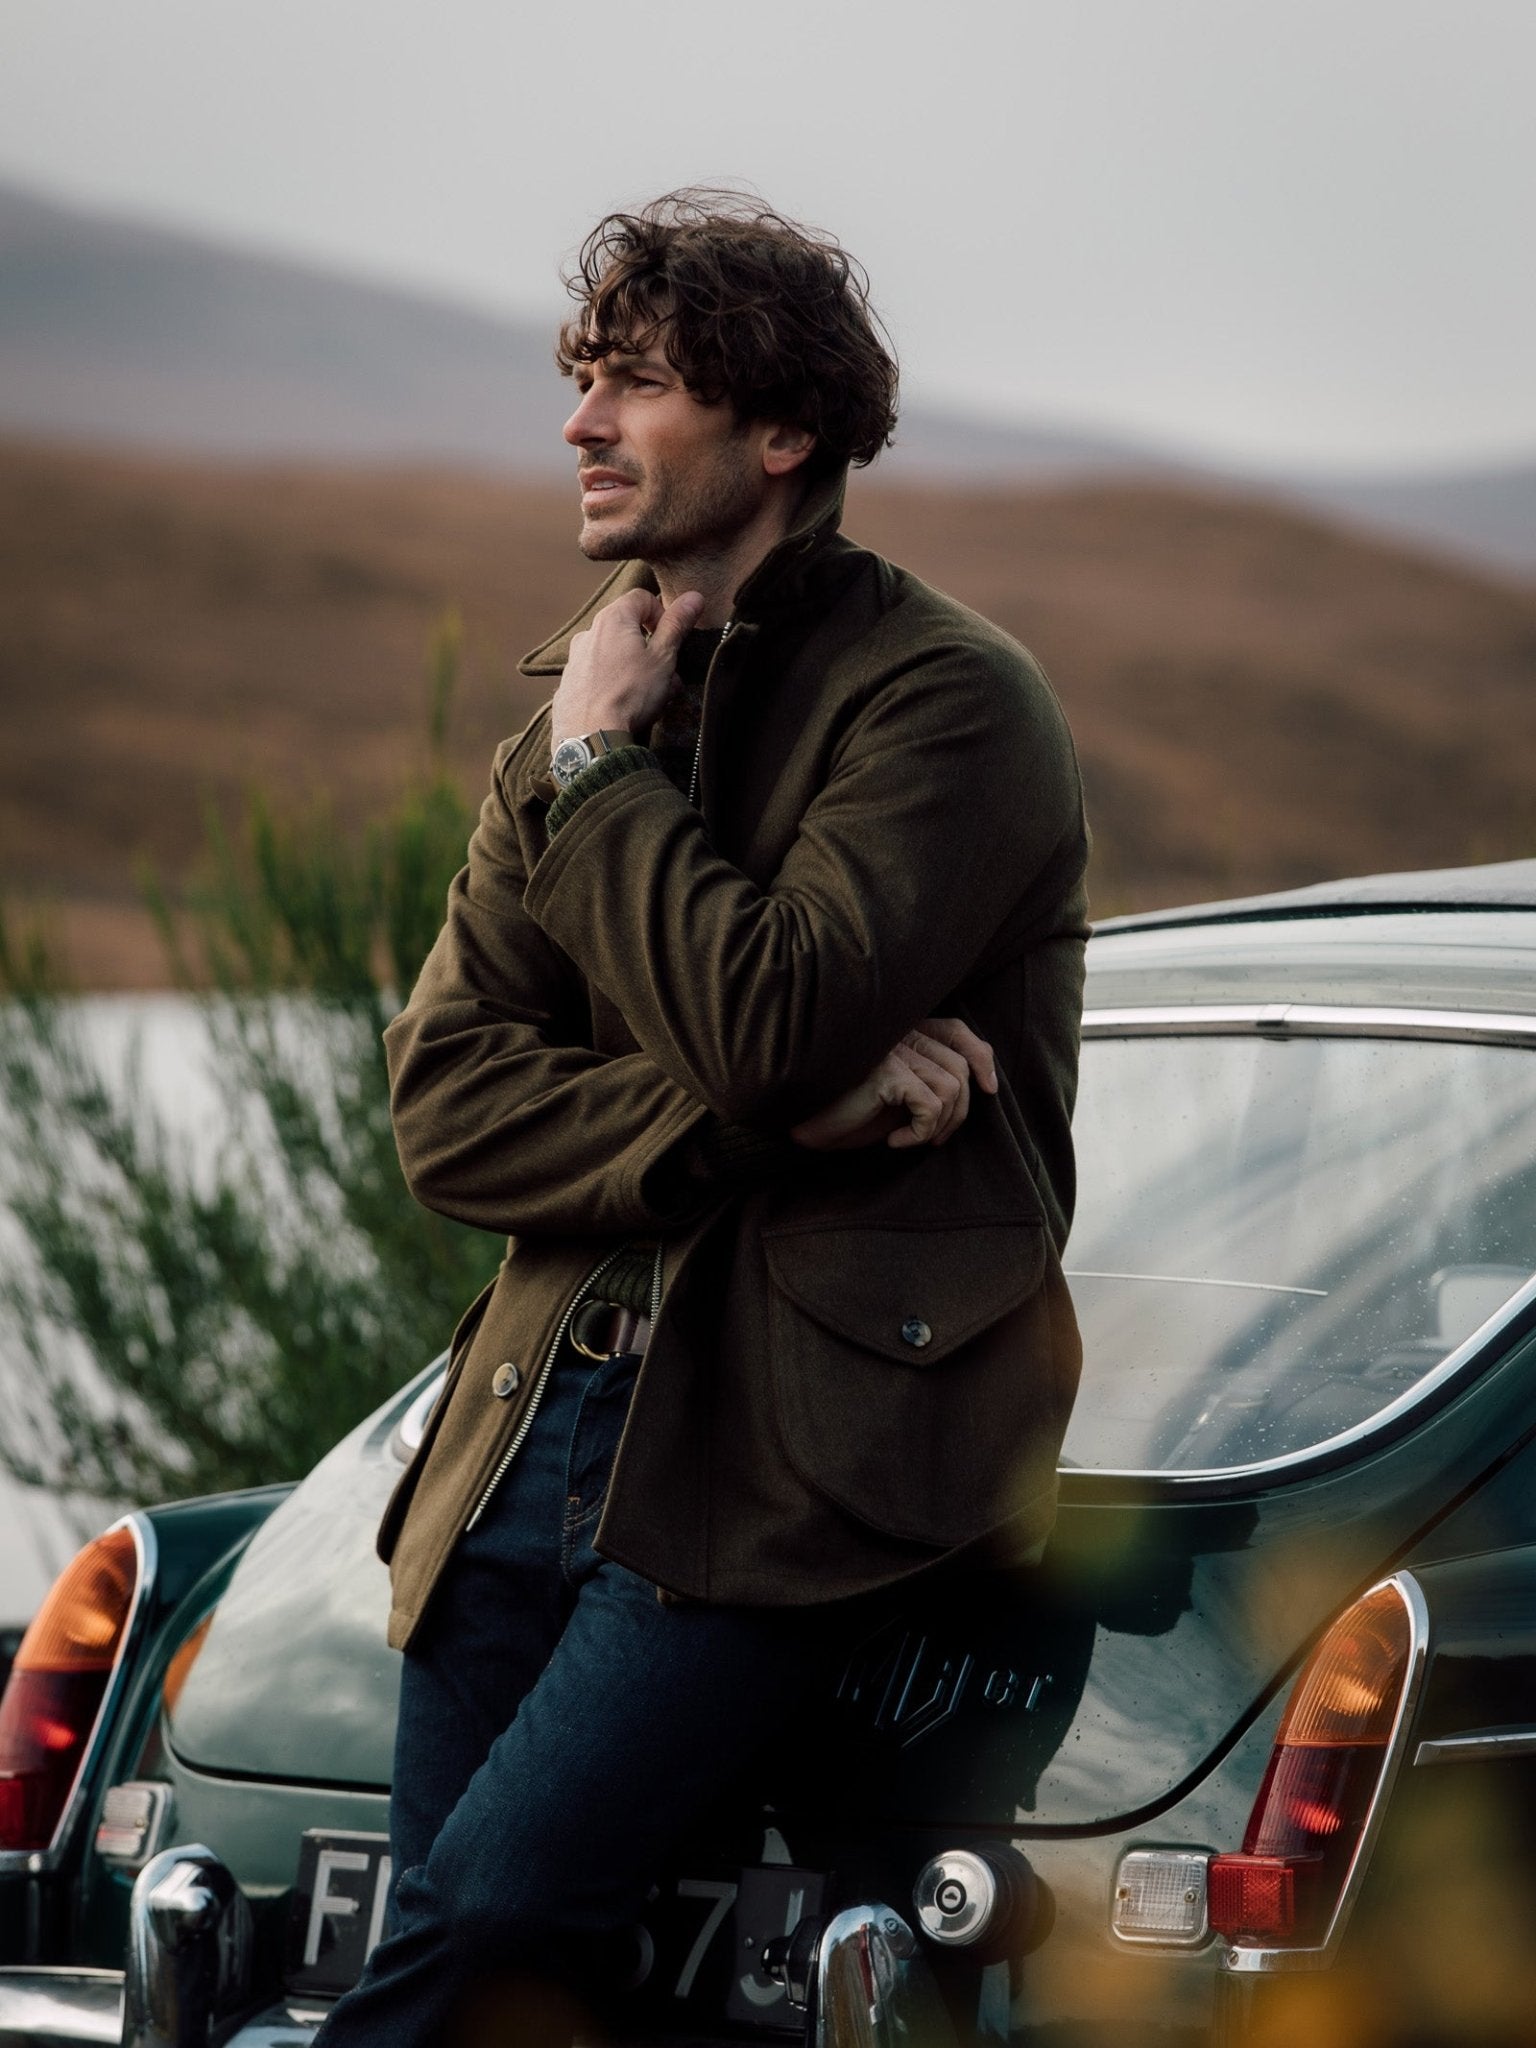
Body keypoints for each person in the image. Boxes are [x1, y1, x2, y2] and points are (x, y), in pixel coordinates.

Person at [314, 190, 1089, 2046]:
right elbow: (445, 1106)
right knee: (516, 1996)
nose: (576, 424)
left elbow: (768, 1012)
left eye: (633, 384)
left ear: (781, 431)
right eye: (577, 380)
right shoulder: (592, 696)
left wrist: (597, 783)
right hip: (518, 1434)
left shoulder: (945, 706)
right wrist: (786, 1108)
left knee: (489, 1921)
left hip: (795, 1459)